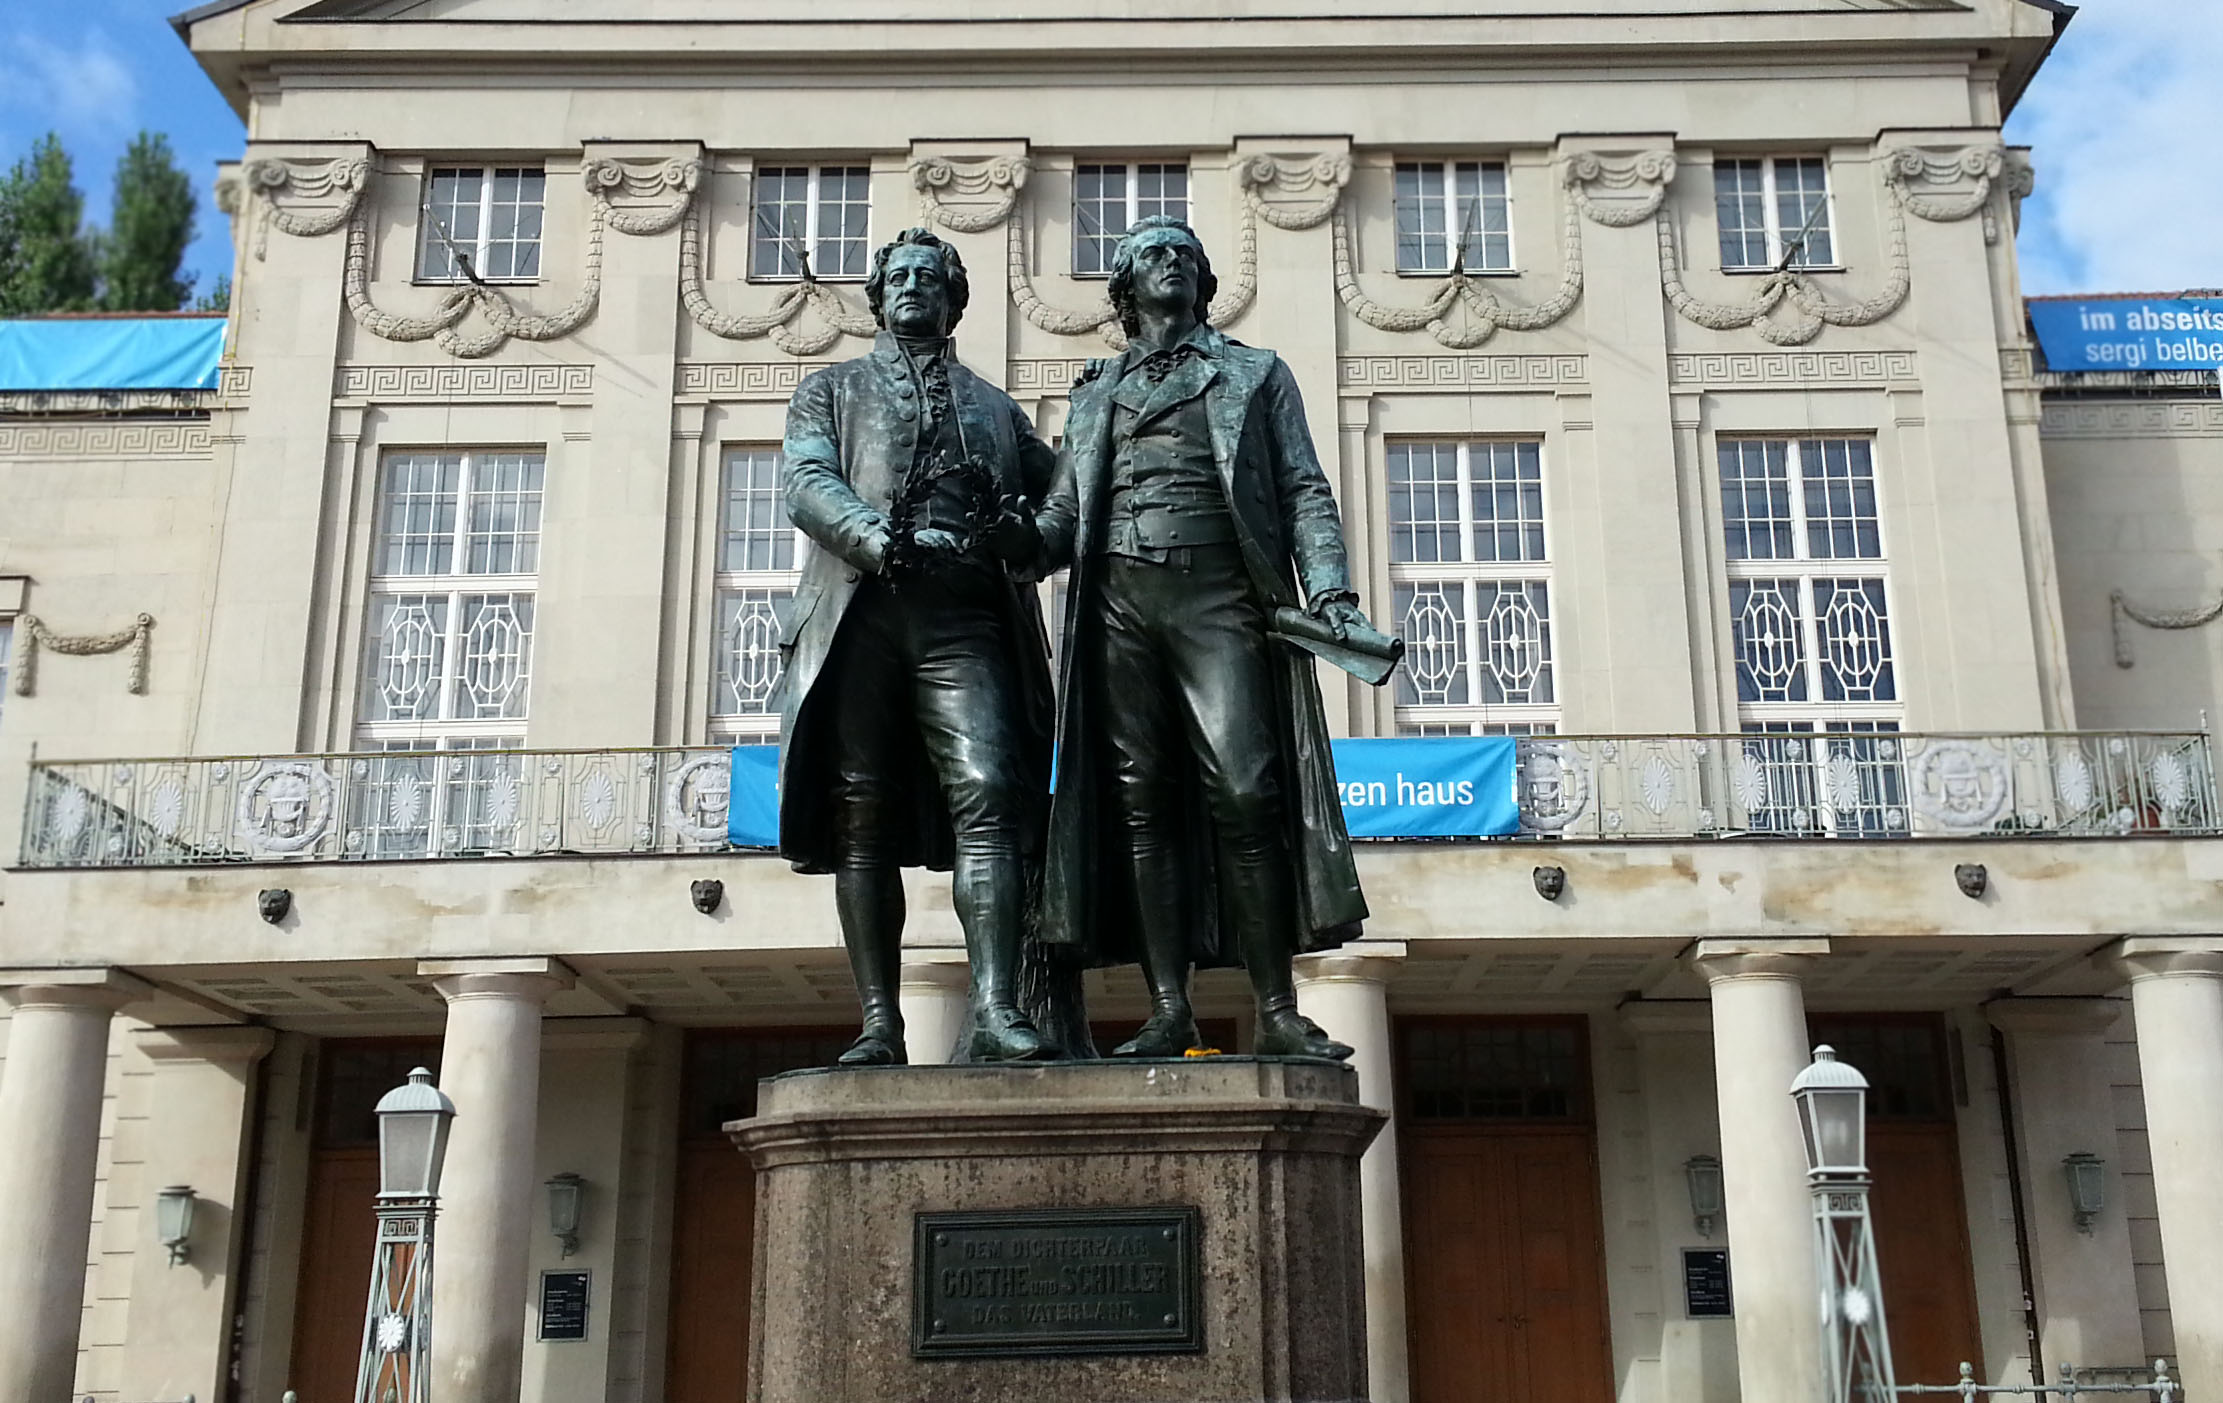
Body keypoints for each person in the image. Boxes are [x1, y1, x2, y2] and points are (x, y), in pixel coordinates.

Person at [1035, 215, 1376, 1060]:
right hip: (1118, 599)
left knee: (1246, 791)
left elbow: (1303, 489)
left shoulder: (1253, 373)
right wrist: (1000, 539)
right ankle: (1166, 1007)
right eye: (1153, 252)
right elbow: (1062, 518)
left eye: (1187, 253)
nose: (1173, 262)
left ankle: (1276, 1006)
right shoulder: (1095, 390)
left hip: (1218, 592)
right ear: (1123, 286)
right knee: (1139, 801)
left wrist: (1327, 586)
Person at [775, 227, 1058, 1065]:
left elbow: (1062, 512)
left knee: (990, 791)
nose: (911, 287)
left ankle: (999, 1008)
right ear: (877, 295)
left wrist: (1028, 533)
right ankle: (878, 1021)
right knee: (861, 811)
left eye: (928, 278)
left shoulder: (996, 408)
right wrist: (875, 536)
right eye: (897, 276)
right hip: (862, 612)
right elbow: (805, 479)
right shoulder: (830, 388)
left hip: (962, 619)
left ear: (951, 298)